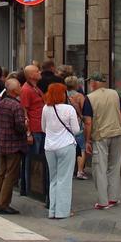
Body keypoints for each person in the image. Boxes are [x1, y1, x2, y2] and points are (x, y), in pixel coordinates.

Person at [85, 73, 121, 210]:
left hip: (100, 135)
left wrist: (87, 140)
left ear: (94, 83)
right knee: (115, 166)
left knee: (100, 167)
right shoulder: (115, 93)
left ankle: (103, 201)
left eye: (90, 82)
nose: (90, 84)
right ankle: (113, 198)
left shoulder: (90, 98)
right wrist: (119, 126)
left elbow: (88, 122)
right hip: (117, 133)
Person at [41, 83, 81, 219]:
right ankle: (62, 211)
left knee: (54, 179)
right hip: (66, 145)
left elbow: (43, 128)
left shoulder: (46, 108)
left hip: (50, 147)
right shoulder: (69, 109)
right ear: (62, 94)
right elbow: (75, 130)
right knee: (64, 179)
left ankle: (52, 211)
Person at [0, 78, 29, 214]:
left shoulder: (1, 104)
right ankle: (3, 204)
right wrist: (26, 125)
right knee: (10, 175)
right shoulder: (16, 106)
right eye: (20, 86)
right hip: (14, 144)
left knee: (1, 173)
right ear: (14, 90)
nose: (21, 87)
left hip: (2, 143)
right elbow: (20, 126)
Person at [64, 76, 91, 180]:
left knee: (67, 147)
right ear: (76, 84)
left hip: (66, 124)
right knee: (81, 148)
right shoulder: (80, 96)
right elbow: (85, 110)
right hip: (78, 124)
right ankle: (80, 171)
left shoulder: (63, 94)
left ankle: (68, 170)